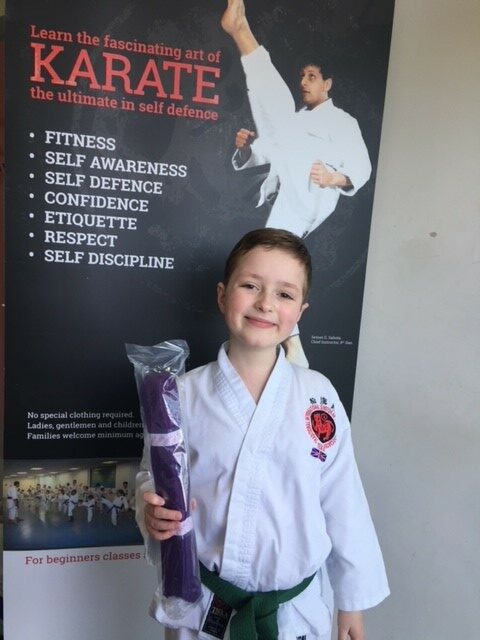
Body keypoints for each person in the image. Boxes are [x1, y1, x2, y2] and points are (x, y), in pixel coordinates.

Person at [136, 227, 389, 640]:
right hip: (205, 607)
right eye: (250, 285)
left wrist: (352, 603)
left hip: (296, 612)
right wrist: (149, 508)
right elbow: (153, 474)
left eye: (285, 294)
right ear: (222, 296)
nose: (265, 303)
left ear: (300, 313)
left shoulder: (318, 395)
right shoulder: (181, 393)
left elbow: (344, 500)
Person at [227, 0, 371, 239]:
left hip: (311, 199)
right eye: (302, 76)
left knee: (280, 110)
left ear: (327, 84)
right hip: (284, 206)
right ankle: (240, 30)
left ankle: (241, 31)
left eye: (312, 76)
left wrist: (330, 178)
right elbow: (267, 151)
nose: (303, 82)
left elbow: (362, 170)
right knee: (272, 255)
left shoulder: (344, 122)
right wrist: (246, 150)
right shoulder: (295, 123)